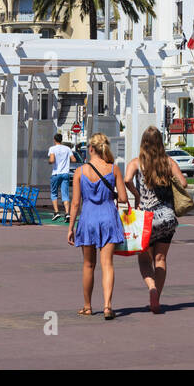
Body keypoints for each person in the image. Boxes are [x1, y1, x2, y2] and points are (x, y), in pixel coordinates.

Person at [124, 126, 188, 314]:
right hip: (167, 216)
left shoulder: (136, 163)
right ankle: (157, 298)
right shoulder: (168, 162)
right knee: (161, 259)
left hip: (146, 218)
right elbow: (183, 183)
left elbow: (127, 179)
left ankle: (151, 287)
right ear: (160, 142)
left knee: (145, 260)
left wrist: (137, 195)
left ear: (143, 142)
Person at [68, 133, 129, 319]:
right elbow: (124, 198)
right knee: (107, 264)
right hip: (108, 217)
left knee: (88, 265)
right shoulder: (113, 169)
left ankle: (87, 306)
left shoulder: (80, 172)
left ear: (91, 149)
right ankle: (107, 306)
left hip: (88, 219)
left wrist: (71, 227)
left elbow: (75, 203)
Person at [47, 133, 74, 222]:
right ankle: (67, 213)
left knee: (54, 193)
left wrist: (50, 162)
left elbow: (51, 160)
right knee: (65, 194)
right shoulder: (67, 149)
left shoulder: (52, 148)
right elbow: (74, 159)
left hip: (56, 173)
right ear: (61, 140)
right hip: (65, 173)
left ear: (54, 140)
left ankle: (56, 212)